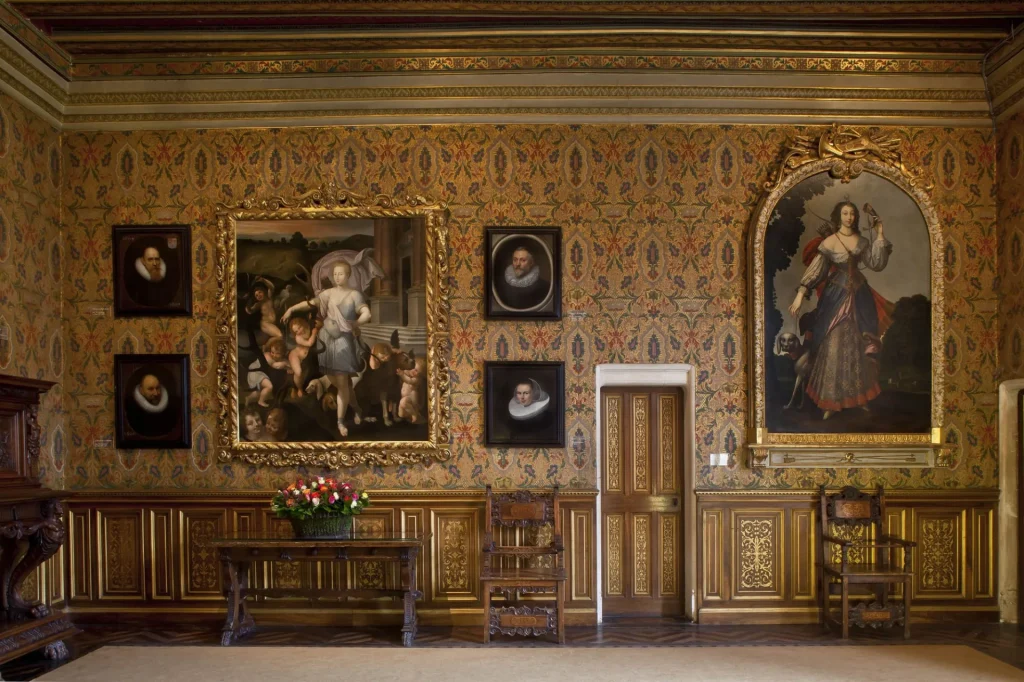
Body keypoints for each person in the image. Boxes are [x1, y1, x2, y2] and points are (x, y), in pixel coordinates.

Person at [788, 200, 894, 420]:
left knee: (857, 345)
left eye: (853, 214)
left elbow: (876, 263)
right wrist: (799, 295)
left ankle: (858, 398)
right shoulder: (829, 242)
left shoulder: (863, 241)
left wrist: (880, 233)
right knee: (833, 345)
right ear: (838, 216)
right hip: (835, 298)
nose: (850, 217)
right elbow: (816, 271)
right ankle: (830, 401)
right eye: (845, 213)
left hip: (859, 298)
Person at [281, 261, 370, 438]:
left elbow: (367, 313)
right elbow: (310, 304)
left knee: (343, 383)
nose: (337, 277)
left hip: (344, 341)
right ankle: (357, 409)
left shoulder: (354, 295)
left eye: (341, 274)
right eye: (335, 274)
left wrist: (356, 322)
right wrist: (291, 309)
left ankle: (340, 422)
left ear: (348, 275)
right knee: (341, 385)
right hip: (327, 341)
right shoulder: (328, 294)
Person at [493, 244, 550, 311]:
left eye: (523, 260)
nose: (517, 264)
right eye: (515, 260)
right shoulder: (501, 284)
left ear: (531, 263)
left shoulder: (544, 286)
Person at [124, 373, 180, 438]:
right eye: (150, 389)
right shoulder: (132, 408)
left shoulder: (173, 404)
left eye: (158, 388)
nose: (156, 393)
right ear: (141, 390)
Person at [123, 243, 179, 308]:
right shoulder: (134, 283)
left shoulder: (169, 281)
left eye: (157, 259)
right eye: (150, 259)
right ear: (143, 261)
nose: (155, 263)